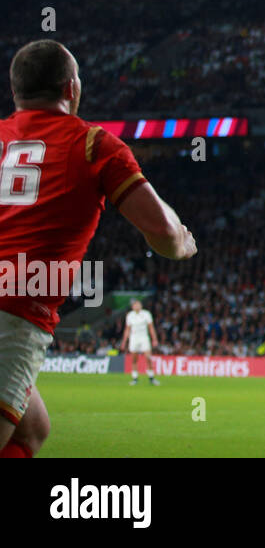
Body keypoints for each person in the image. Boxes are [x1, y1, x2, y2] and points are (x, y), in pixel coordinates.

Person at [0, 40, 195, 457]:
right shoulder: (92, 144)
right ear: (71, 88)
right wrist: (183, 242)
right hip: (13, 315)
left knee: (31, 430)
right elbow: (162, 230)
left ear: (16, 91)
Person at [120, 299, 161, 386]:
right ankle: (135, 378)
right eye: (136, 305)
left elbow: (151, 327)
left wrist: (154, 339)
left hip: (144, 338)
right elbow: (127, 329)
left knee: (148, 357)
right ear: (132, 307)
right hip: (134, 338)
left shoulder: (146, 314)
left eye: (139, 304)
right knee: (134, 359)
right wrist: (124, 341)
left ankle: (151, 378)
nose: (138, 306)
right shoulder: (130, 316)